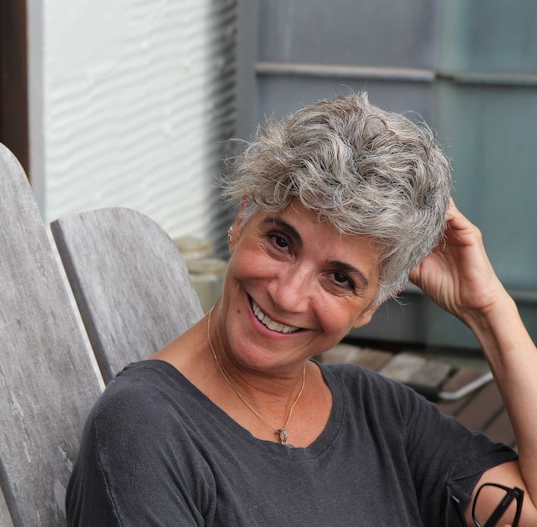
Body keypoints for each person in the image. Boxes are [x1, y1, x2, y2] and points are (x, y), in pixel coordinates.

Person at [65, 92, 537, 526]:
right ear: (241, 218)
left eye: (339, 278)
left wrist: (489, 311)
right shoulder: (145, 430)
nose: (288, 296)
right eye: (280, 241)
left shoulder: (380, 414)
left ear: (371, 306)